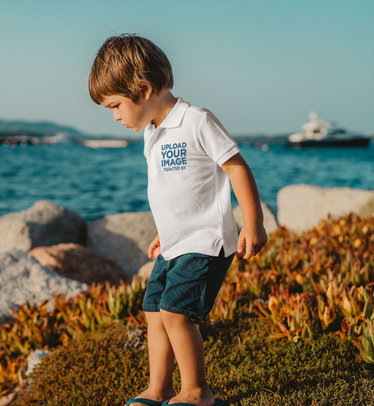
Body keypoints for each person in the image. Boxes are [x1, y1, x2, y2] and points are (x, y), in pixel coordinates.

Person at [88, 34, 268, 406]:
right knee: (153, 312)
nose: (116, 116)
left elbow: (236, 168)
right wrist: (163, 230)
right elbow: (175, 190)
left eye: (116, 105)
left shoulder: (196, 120)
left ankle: (198, 393)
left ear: (142, 89)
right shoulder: (152, 134)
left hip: (205, 242)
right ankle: (159, 390)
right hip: (174, 243)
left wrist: (253, 223)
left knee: (175, 314)